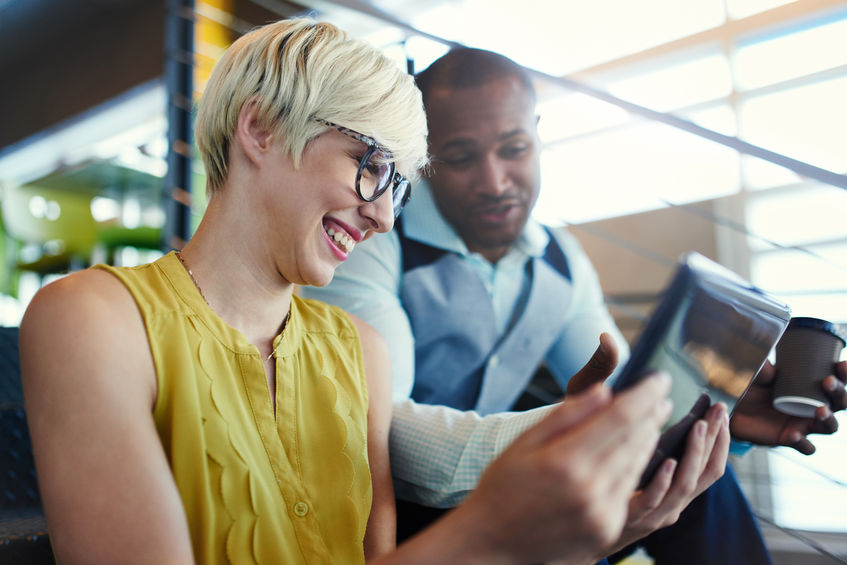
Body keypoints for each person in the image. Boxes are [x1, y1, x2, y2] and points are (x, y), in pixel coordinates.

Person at [17, 18, 721, 565]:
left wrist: (587, 537)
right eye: (370, 166)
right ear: (259, 127)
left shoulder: (362, 351)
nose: (385, 216)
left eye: (400, 185)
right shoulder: (92, 319)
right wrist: (490, 528)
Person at [302, 46, 847, 564]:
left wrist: (707, 413)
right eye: (461, 157)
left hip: (514, 488)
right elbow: (384, 432)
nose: (495, 182)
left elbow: (622, 389)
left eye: (513, 149)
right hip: (403, 512)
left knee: (698, 474)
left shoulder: (562, 261)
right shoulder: (370, 243)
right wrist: (564, 438)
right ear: (423, 158)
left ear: (537, 138)